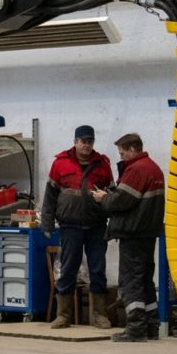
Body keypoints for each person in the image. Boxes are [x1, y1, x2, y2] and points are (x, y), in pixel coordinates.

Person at [40, 124, 113, 325]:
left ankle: (99, 314)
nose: (86, 146)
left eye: (90, 142)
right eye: (83, 141)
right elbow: (50, 197)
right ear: (75, 142)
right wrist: (46, 223)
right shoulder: (60, 164)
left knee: (97, 269)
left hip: (96, 226)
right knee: (68, 268)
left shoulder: (103, 165)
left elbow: (112, 196)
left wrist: (114, 223)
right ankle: (63, 315)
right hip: (70, 226)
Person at [101, 133, 165, 342]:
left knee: (131, 281)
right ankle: (151, 326)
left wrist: (104, 198)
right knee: (145, 280)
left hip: (133, 233)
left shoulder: (137, 169)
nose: (122, 157)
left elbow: (122, 201)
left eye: (122, 153)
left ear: (132, 149)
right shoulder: (154, 168)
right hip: (148, 233)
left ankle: (136, 329)